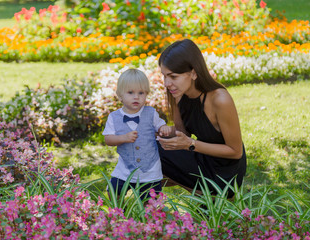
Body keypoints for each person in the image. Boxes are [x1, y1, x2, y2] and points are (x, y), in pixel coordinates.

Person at [157, 39, 246, 198]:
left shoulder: (220, 100)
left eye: (173, 76)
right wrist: (159, 131)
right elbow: (181, 132)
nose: (167, 83)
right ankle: (148, 209)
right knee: (146, 146)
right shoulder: (178, 93)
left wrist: (190, 144)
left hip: (225, 172)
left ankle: (210, 196)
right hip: (200, 156)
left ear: (193, 72)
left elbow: (236, 151)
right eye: (164, 76)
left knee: (152, 158)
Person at [103, 68, 173, 200]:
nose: (136, 97)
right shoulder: (114, 117)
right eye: (130, 92)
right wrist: (123, 138)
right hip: (125, 169)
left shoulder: (151, 113)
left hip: (150, 169)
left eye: (141, 93)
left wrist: (164, 128)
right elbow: (108, 139)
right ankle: (119, 213)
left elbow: (160, 125)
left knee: (150, 199)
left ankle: (148, 218)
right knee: (114, 190)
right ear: (120, 95)